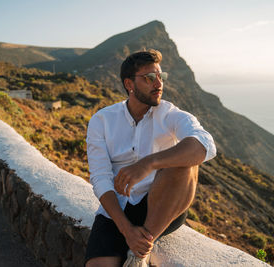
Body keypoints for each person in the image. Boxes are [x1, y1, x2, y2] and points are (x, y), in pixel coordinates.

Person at [85, 49, 216, 267]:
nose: (159, 84)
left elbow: (205, 145)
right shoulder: (102, 120)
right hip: (116, 210)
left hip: (161, 207)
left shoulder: (170, 114)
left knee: (185, 161)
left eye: (161, 77)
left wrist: (148, 163)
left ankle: (139, 254)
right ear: (129, 85)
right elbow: (100, 178)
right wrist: (127, 230)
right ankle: (137, 244)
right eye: (149, 78)